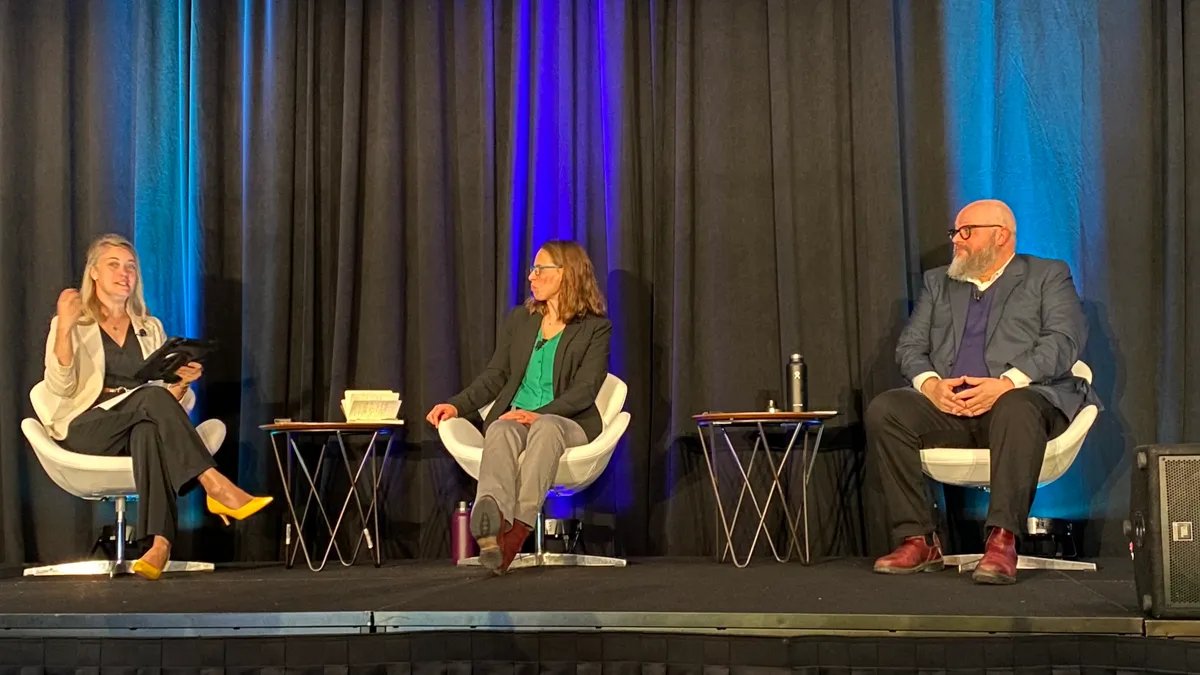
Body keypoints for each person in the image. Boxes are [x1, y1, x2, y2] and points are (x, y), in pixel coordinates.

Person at [866, 199, 1101, 584]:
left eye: (965, 232)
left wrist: (1006, 383)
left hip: (1024, 404)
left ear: (1001, 236)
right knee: (886, 409)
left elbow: (1064, 340)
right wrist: (931, 385)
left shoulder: (1047, 275)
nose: (956, 241)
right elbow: (910, 348)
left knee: (1016, 405)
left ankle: (1002, 540)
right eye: (955, 232)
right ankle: (918, 538)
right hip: (953, 406)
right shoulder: (938, 282)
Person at [29, 234, 271, 580]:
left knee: (147, 429)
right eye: (113, 265)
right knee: (149, 401)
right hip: (87, 428)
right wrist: (65, 328)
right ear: (93, 273)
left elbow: (165, 399)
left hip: (137, 422)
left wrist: (181, 382)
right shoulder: (74, 323)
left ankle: (159, 545)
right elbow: (60, 387)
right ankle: (214, 483)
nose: (124, 273)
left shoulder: (149, 327)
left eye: (130, 266)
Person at [426, 241, 611, 574]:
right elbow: (495, 376)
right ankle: (492, 518)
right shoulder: (521, 320)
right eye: (532, 269)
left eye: (540, 269)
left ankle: (518, 528)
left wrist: (541, 413)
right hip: (517, 418)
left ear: (566, 274)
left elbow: (585, 390)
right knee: (499, 427)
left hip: (568, 422)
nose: (531, 277)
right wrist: (455, 405)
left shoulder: (596, 329)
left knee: (547, 427)